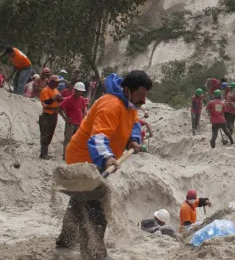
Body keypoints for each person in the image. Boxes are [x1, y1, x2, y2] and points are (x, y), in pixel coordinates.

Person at [56, 71, 151, 259]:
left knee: (79, 201)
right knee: (94, 208)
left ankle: (65, 240)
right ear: (127, 90)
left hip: (96, 158)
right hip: (83, 160)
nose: (144, 100)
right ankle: (95, 254)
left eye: (145, 95)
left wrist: (132, 140)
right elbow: (98, 139)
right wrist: (107, 158)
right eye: (141, 94)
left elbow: (133, 122)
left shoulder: (129, 103)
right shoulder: (110, 105)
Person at [60, 82, 89, 160]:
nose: (79, 93)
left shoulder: (82, 99)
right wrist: (65, 118)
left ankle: (71, 155)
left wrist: (83, 118)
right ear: (75, 90)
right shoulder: (69, 99)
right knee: (68, 140)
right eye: (78, 91)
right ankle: (65, 156)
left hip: (78, 123)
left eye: (81, 92)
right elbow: (59, 108)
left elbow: (83, 109)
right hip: (70, 123)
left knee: (75, 141)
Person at [39, 76, 63, 160]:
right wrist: (54, 98)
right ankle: (43, 153)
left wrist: (60, 99)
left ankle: (45, 152)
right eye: (56, 82)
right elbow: (45, 103)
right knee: (45, 132)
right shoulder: (45, 90)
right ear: (51, 82)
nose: (58, 83)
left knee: (51, 132)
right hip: (47, 113)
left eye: (58, 82)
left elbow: (59, 101)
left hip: (54, 113)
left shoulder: (56, 90)